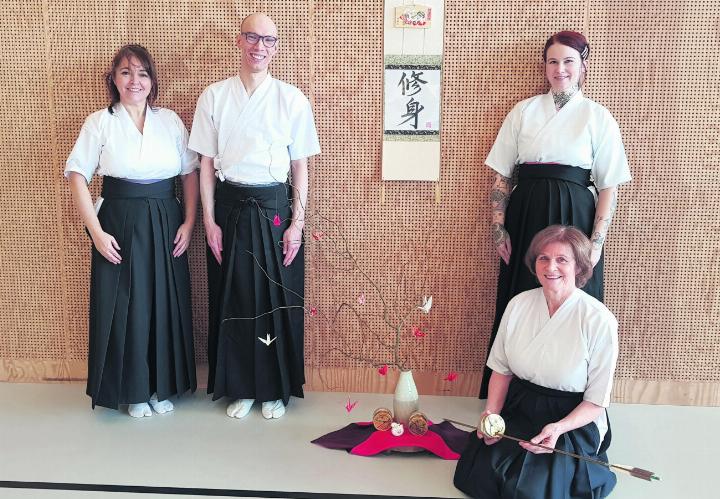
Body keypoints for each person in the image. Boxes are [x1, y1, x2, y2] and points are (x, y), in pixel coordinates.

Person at [480, 31, 631, 397]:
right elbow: (502, 174)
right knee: (523, 290)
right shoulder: (524, 111)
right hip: (526, 211)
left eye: (568, 61)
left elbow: (609, 185)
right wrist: (499, 228)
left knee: (576, 293)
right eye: (553, 61)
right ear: (544, 66)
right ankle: (509, 391)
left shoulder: (598, 117)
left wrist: (596, 243)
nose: (560, 69)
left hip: (577, 214)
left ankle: (578, 393)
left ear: (582, 67)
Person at [189, 13, 321, 420]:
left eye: (268, 40)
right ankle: (241, 386)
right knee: (236, 297)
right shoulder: (213, 96)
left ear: (276, 47)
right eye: (252, 37)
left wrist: (297, 223)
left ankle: (275, 388)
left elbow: (300, 167)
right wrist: (209, 221)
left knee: (275, 298)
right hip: (229, 206)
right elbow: (205, 165)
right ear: (238, 40)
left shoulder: (291, 98)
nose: (259, 46)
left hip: (274, 209)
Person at [65, 44, 199, 417]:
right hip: (117, 222)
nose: (134, 81)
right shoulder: (100, 122)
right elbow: (77, 174)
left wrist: (189, 222)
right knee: (126, 305)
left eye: (142, 73)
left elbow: (189, 172)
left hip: (166, 219)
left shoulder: (170, 121)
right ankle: (133, 391)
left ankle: (161, 386)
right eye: (125, 72)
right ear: (114, 79)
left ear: (152, 81)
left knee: (163, 301)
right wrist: (95, 231)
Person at [455, 225, 618, 498]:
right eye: (544, 258)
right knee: (483, 474)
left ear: (579, 267)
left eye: (562, 260)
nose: (551, 266)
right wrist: (492, 414)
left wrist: (557, 428)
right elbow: (501, 370)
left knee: (535, 489)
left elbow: (596, 402)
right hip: (521, 405)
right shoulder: (518, 304)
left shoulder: (599, 320)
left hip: (570, 417)